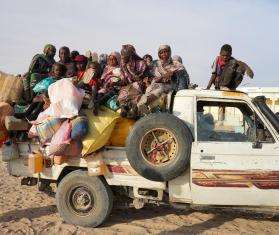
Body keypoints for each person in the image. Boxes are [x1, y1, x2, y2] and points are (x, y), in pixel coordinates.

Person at [118, 44, 148, 118]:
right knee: (123, 92)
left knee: (134, 89)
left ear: (130, 56)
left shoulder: (141, 63)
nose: (122, 57)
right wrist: (115, 83)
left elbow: (141, 78)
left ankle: (134, 110)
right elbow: (124, 80)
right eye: (122, 54)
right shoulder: (123, 64)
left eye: (124, 55)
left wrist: (131, 69)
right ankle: (123, 109)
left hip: (141, 84)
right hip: (128, 85)